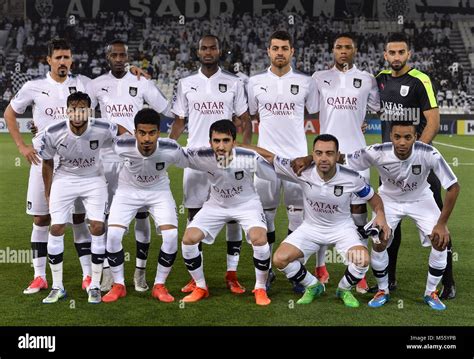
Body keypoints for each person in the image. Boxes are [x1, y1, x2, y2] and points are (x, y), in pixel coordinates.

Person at [244, 134, 390, 307]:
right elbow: (270, 157)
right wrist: (237, 145)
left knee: (362, 259)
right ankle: (313, 285)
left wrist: (380, 214)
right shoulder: (301, 171)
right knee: (279, 259)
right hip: (310, 229)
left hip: (341, 230)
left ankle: (343, 289)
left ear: (338, 155)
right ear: (312, 154)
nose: (323, 158)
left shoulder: (352, 178)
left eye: (329, 153)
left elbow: (374, 198)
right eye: (319, 153)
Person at [4, 38, 93, 294]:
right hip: (43, 161)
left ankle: (88, 276)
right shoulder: (34, 87)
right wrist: (22, 146)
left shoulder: (83, 84)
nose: (63, 62)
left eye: (67, 57)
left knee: (79, 219)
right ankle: (40, 276)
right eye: (59, 58)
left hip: (75, 163)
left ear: (72, 60)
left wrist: (135, 72)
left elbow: (111, 86)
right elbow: (10, 113)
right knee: (42, 218)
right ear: (49, 60)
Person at [343, 121, 460, 310]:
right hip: (388, 200)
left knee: (440, 240)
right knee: (380, 241)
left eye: (408, 137)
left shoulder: (428, 152)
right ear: (391, 137)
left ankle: (431, 292)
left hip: (421, 199)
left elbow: (453, 187)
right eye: (397, 137)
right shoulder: (377, 151)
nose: (402, 142)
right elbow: (342, 159)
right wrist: (309, 159)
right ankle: (383, 290)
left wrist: (442, 223)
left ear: (415, 138)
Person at [87, 39, 173, 293]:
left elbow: (166, 108)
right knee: (104, 217)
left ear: (128, 57)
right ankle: (104, 272)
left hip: (139, 154)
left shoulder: (140, 82)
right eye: (114, 54)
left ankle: (140, 271)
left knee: (142, 213)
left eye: (123, 54)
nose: (119, 58)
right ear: (107, 57)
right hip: (106, 157)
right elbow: (80, 112)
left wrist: (148, 78)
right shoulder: (96, 85)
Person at [170, 35, 252, 295]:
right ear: (198, 51)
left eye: (212, 47)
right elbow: (179, 122)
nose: (208, 52)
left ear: (219, 51)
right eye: (204, 48)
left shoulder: (234, 83)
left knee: (233, 217)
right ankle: (197, 278)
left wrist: (245, 151)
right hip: (196, 161)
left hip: (227, 161)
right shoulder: (186, 83)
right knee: (194, 217)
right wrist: (167, 149)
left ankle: (232, 273)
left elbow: (245, 121)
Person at [376, 32, 456, 299]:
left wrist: (416, 154)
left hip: (420, 167)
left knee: (437, 223)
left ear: (408, 54)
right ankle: (390, 278)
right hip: (389, 167)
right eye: (392, 53)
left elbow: (433, 121)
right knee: (388, 227)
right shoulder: (380, 80)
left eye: (401, 52)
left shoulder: (421, 80)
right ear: (385, 55)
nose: (396, 57)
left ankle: (449, 281)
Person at [247, 30, 319, 292]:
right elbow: (248, 117)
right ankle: (265, 272)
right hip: (264, 162)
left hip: (297, 163)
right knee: (265, 218)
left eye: (284, 48)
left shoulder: (306, 82)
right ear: (268, 51)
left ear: (292, 52)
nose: (280, 52)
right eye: (275, 48)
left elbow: (315, 111)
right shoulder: (254, 82)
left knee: (297, 219)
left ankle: (295, 272)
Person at [36, 92, 125, 304]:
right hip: (64, 179)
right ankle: (57, 286)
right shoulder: (53, 131)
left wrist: (131, 144)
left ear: (90, 110)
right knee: (56, 227)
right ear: (67, 111)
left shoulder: (102, 127)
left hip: (93, 178)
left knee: (97, 226)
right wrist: (48, 192)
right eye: (73, 108)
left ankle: (94, 285)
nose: (78, 112)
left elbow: (121, 131)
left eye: (82, 108)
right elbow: (47, 162)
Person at [311, 32, 381, 293]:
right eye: (338, 47)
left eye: (347, 47)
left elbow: (375, 108)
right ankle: (321, 269)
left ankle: (359, 274)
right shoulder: (319, 78)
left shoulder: (367, 80)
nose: (343, 51)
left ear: (355, 50)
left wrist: (359, 120)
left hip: (357, 156)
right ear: (332, 50)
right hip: (326, 156)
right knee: (320, 211)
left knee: (358, 215)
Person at [177, 120, 273, 306]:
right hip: (216, 205)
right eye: (216, 141)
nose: (220, 146)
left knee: (260, 239)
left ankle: (260, 288)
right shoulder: (202, 155)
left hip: (247, 205)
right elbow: (176, 153)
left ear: (234, 142)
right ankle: (201, 286)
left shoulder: (248, 157)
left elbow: (273, 171)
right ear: (210, 142)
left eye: (226, 140)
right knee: (189, 239)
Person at [102, 109, 180, 303]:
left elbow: (195, 160)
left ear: (159, 132)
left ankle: (159, 285)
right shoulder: (121, 144)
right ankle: (119, 284)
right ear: (134, 132)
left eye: (152, 133)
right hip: (127, 192)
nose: (147, 138)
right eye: (142, 133)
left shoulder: (171, 148)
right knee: (112, 236)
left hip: (159, 192)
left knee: (171, 237)